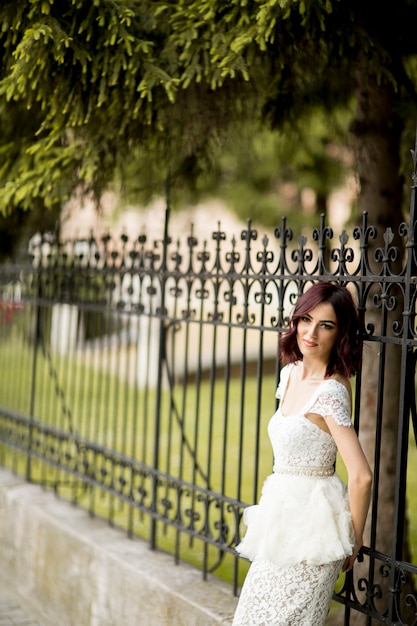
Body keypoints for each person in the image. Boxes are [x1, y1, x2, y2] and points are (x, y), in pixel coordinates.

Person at [232, 282, 372, 626]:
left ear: (340, 334)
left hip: (315, 528)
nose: (310, 332)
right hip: (279, 520)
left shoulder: (331, 391)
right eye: (306, 319)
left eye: (326, 325)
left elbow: (362, 476)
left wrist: (352, 539)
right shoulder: (290, 374)